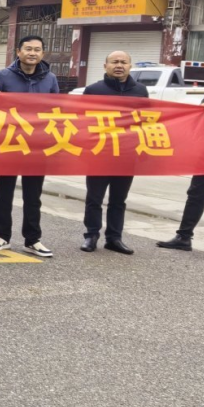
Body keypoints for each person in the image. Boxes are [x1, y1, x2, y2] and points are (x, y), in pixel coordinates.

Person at [0, 34, 61, 258]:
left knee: (33, 195)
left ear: (42, 54)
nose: (32, 53)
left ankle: (33, 239)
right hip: (9, 143)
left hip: (37, 146)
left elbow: (56, 111)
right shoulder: (2, 76)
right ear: (18, 52)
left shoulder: (50, 79)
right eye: (28, 49)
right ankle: (2, 236)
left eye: (37, 50)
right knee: (4, 192)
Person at [80, 51, 147, 255]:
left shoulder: (140, 91)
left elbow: (146, 120)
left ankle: (114, 238)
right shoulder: (93, 90)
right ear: (105, 66)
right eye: (114, 62)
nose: (119, 65)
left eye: (123, 62)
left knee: (118, 199)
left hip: (127, 154)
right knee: (94, 198)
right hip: (100, 152)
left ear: (130, 66)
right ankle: (91, 235)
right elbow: (81, 121)